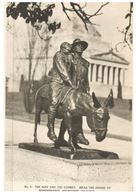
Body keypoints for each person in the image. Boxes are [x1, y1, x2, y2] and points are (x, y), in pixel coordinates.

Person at [47, 42, 76, 142]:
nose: (69, 51)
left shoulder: (70, 56)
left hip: (67, 82)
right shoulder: (58, 55)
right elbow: (63, 70)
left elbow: (73, 69)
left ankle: (63, 136)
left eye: (69, 50)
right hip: (57, 81)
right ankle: (50, 129)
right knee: (54, 102)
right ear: (62, 48)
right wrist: (71, 82)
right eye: (67, 50)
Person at [71, 38, 90, 145]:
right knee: (72, 112)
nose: (80, 47)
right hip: (71, 89)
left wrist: (87, 87)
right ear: (73, 48)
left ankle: (76, 137)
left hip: (81, 89)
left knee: (79, 112)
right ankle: (78, 134)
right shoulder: (69, 60)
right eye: (78, 45)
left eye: (82, 46)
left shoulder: (86, 63)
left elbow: (86, 78)